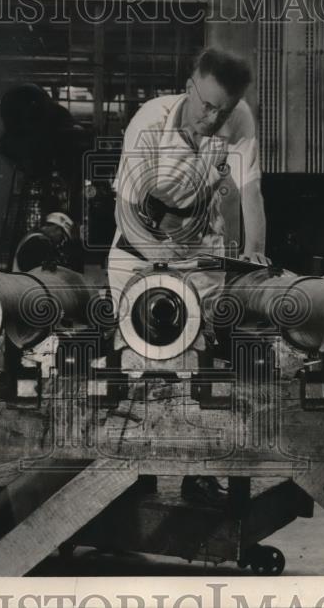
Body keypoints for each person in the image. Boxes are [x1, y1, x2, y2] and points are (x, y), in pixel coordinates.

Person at [108, 47, 267, 505]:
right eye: (207, 106)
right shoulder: (149, 121)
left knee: (200, 362)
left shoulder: (238, 119)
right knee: (141, 359)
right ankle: (135, 475)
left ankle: (198, 474)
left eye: (225, 109)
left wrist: (254, 258)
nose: (214, 118)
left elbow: (250, 192)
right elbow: (127, 207)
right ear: (189, 87)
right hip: (139, 242)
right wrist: (159, 255)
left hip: (199, 244)